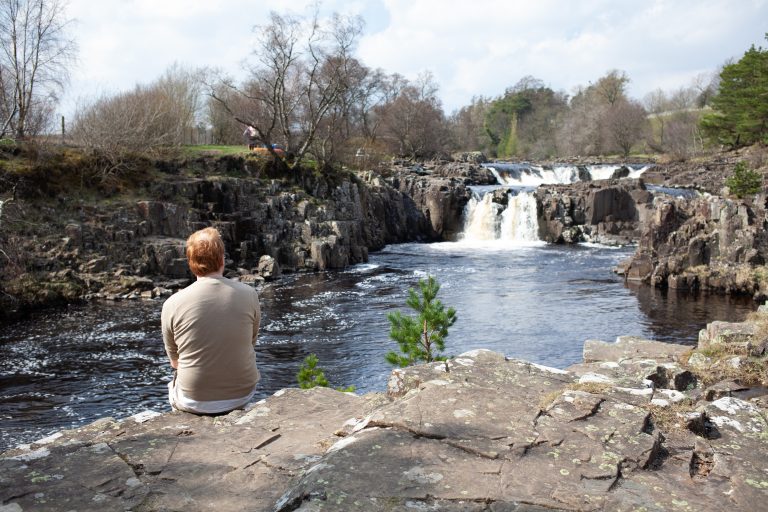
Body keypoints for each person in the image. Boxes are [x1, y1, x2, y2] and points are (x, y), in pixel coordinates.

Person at [161, 227, 261, 414]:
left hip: (193, 399)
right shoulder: (249, 294)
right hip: (242, 394)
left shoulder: (171, 304)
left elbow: (175, 362)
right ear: (222, 259)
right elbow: (250, 342)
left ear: (191, 263)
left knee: (173, 383)